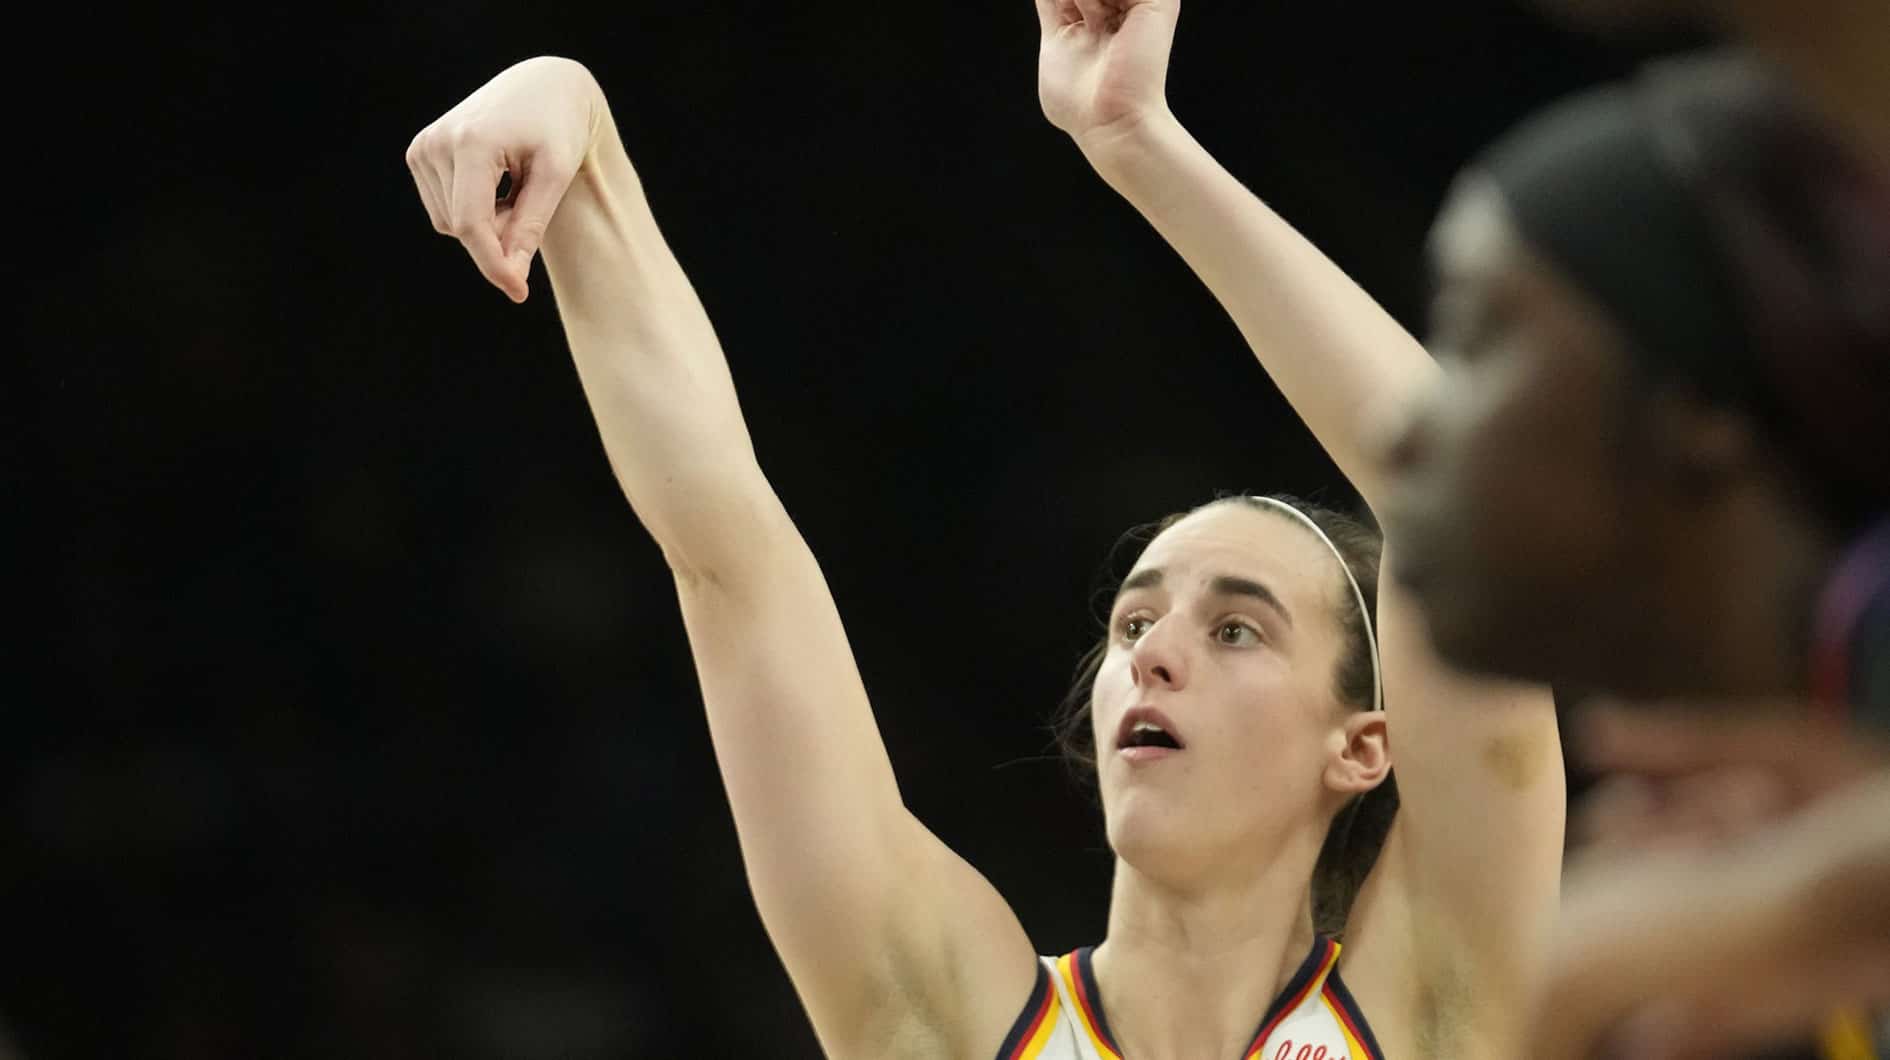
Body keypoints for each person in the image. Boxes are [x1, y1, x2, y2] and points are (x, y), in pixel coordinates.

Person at [408, 42, 1565, 1060]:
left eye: (1236, 627)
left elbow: (1454, 497)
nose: (1155, 654)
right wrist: (581, 139)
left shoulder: (1435, 1010)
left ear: (1363, 745)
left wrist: (1138, 144)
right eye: (1133, 620)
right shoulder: (946, 1018)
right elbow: (728, 555)